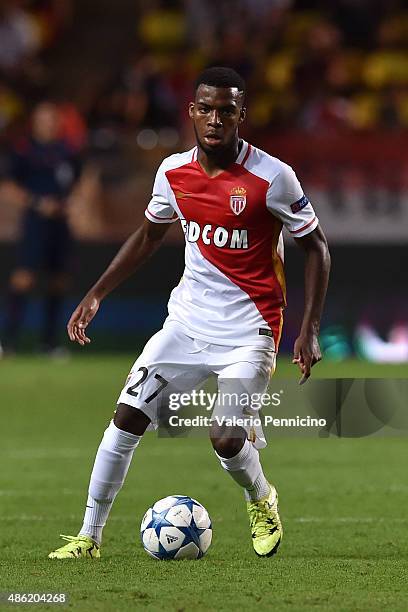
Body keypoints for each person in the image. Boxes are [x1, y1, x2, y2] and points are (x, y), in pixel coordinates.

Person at [48, 67, 330, 560]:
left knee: (223, 437)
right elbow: (149, 236)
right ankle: (89, 537)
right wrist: (97, 293)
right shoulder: (173, 172)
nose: (216, 119)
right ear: (192, 112)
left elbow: (317, 249)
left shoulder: (272, 177)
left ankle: (261, 497)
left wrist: (309, 329)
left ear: (242, 114)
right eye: (207, 108)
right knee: (125, 417)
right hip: (185, 324)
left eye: (227, 110)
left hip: (251, 330)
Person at [1, 101, 81, 354]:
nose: (49, 123)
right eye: (44, 119)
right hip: (36, 222)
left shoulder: (66, 151)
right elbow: (8, 186)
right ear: (35, 122)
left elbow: (80, 179)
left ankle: (49, 343)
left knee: (58, 280)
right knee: (24, 278)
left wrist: (71, 203)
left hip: (61, 224)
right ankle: (8, 341)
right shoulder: (23, 150)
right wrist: (37, 203)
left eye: (53, 119)